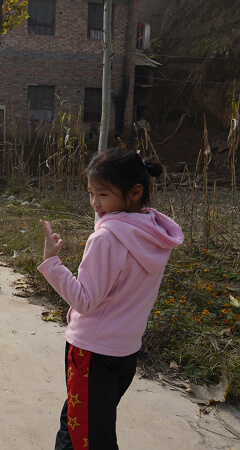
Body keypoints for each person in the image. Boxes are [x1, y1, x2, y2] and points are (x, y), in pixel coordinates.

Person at [38, 148, 184, 449]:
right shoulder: (152, 234)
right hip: (124, 352)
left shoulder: (106, 239)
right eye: (91, 193)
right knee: (83, 425)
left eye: (102, 195)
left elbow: (86, 301)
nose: (95, 203)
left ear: (135, 192)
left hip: (92, 352)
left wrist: (52, 263)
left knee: (86, 437)